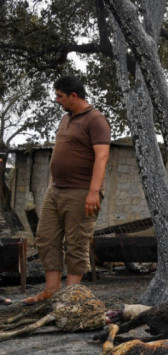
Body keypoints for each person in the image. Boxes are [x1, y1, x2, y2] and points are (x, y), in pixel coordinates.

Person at [23, 76, 110, 304]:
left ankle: (71, 297)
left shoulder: (96, 120)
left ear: (74, 95)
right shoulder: (66, 118)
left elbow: (102, 156)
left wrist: (93, 191)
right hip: (56, 190)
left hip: (81, 191)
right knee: (46, 237)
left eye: (60, 95)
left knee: (76, 242)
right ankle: (51, 290)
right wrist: (53, 182)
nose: (57, 99)